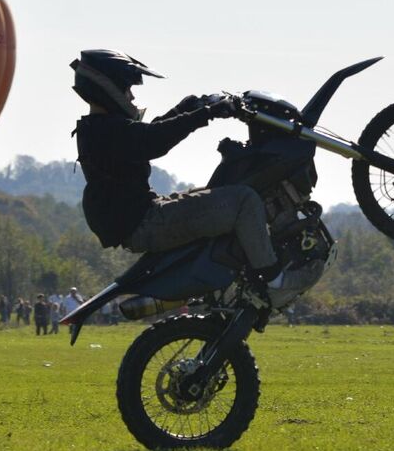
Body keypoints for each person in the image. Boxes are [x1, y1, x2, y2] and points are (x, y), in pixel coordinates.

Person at [70, 49, 290, 302]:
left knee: (223, 188)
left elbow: (150, 133)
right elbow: (154, 140)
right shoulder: (108, 130)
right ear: (108, 89)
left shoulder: (99, 128)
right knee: (243, 200)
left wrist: (190, 105)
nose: (131, 96)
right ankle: (273, 281)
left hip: (141, 216)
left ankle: (238, 277)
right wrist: (207, 112)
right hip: (146, 222)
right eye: (127, 88)